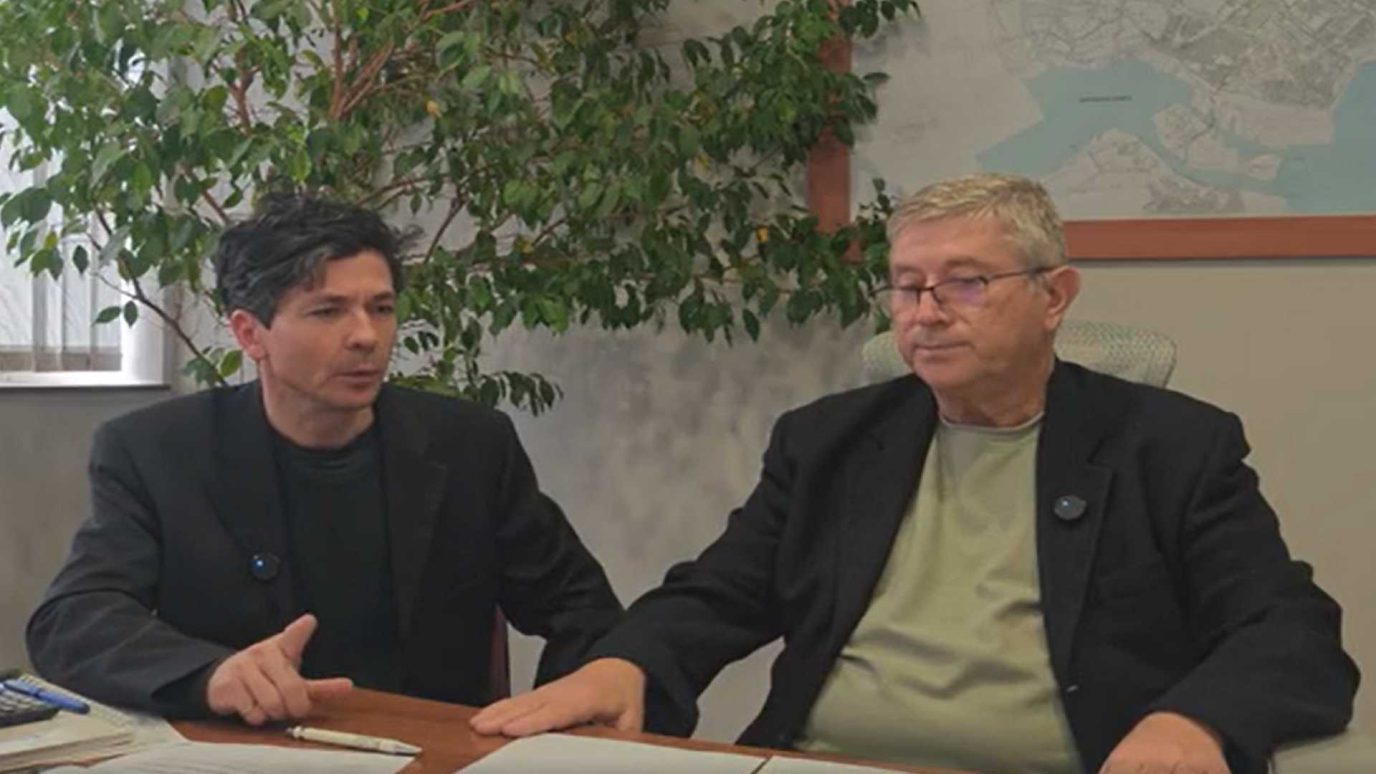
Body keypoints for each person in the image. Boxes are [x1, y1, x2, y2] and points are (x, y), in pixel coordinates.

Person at [470, 173, 1358, 773]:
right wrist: (625, 664)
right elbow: (719, 594)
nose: (925, 313)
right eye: (905, 286)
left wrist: (1196, 722)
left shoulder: (1169, 447)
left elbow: (1289, 631)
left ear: (1054, 297)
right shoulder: (831, 441)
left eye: (965, 284)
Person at [28, 193, 622, 726]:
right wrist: (210, 675)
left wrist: (559, 727)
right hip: (246, 753)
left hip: (427, 751)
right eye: (328, 311)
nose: (366, 336)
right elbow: (75, 618)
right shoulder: (156, 451)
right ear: (250, 334)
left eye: (381, 308)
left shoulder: (470, 446)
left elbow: (584, 610)